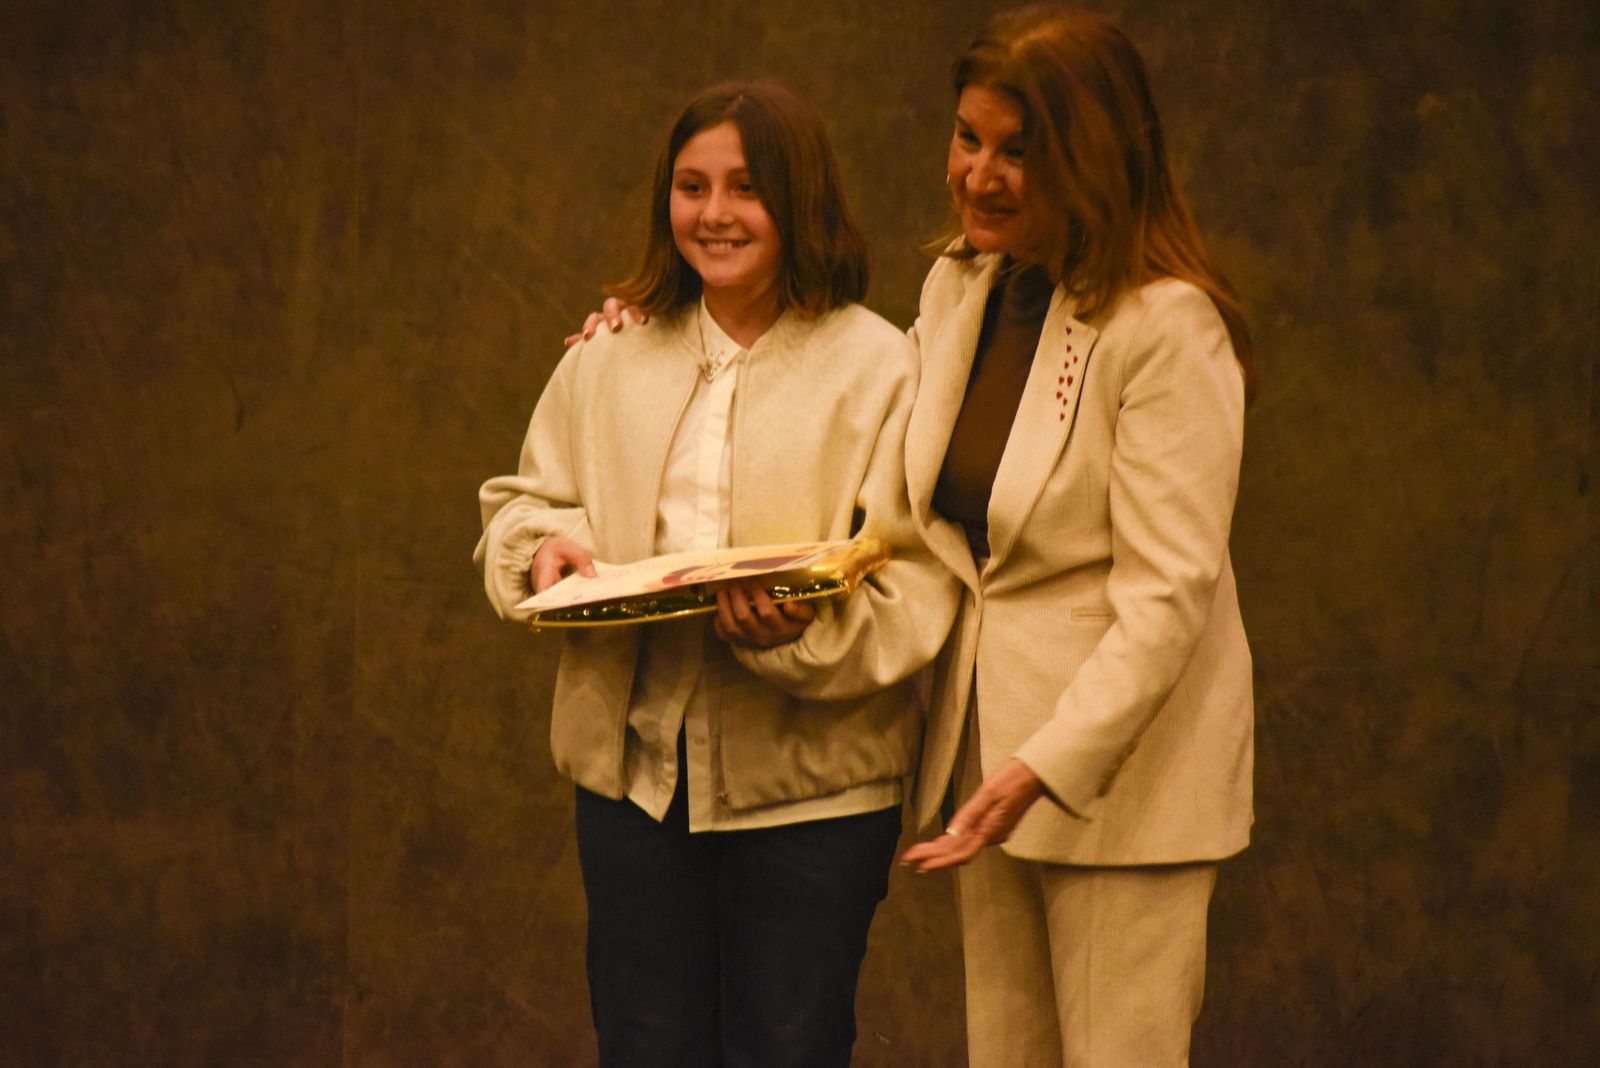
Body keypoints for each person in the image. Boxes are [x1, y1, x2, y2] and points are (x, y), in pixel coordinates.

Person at [474, 81, 959, 1068]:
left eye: (746, 187)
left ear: (799, 199)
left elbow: (919, 578)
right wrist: (542, 553)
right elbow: (523, 501)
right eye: (691, 186)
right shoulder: (607, 355)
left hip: (816, 800)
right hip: (633, 791)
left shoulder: (884, 367)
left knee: (790, 1050)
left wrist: (805, 633)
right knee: (646, 1048)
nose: (714, 213)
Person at [893, 7, 1257, 1066]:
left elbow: (1167, 596)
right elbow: (881, 461)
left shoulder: (1166, 327)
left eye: (1019, 150)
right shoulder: (962, 286)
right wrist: (647, 323)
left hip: (1120, 782)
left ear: (1095, 152)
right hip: (989, 769)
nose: (979, 175)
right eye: (968, 138)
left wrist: (1042, 764)